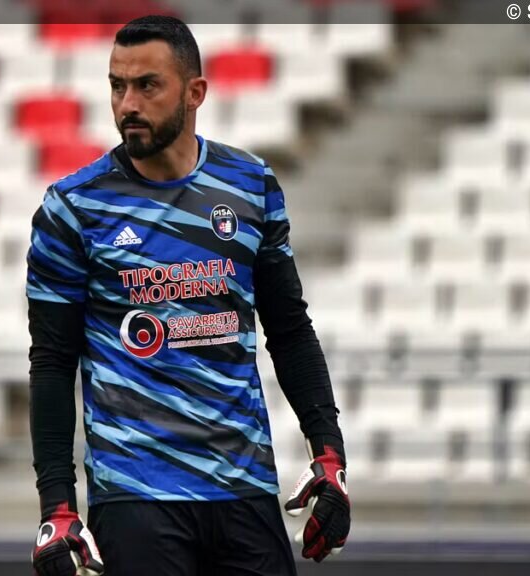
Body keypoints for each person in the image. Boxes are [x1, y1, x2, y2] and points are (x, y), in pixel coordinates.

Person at [26, 15, 349, 576]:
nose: (127, 104)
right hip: (136, 497)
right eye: (117, 86)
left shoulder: (251, 185)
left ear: (195, 92)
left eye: (147, 85)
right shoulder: (72, 208)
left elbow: (290, 329)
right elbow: (52, 363)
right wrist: (57, 507)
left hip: (244, 488)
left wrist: (328, 452)